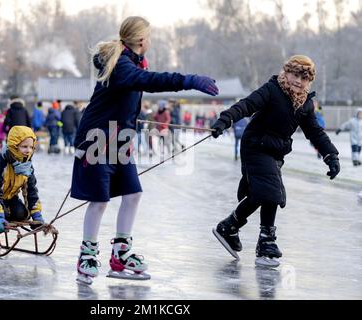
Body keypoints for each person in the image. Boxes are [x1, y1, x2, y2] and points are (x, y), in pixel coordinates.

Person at [71, 16, 218, 284]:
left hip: (120, 137)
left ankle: (121, 254)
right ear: (141, 40)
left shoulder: (130, 62)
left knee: (133, 194)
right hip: (97, 138)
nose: (150, 41)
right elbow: (151, 81)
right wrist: (190, 79)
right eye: (149, 37)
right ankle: (87, 255)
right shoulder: (122, 66)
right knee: (100, 200)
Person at [210, 55, 340, 266]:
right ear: (286, 73)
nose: (299, 81)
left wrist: (330, 155)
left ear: (310, 82)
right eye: (295, 75)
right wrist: (226, 120)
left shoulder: (305, 104)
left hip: (275, 152)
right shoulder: (272, 90)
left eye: (304, 78)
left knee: (261, 193)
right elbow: (246, 105)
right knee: (272, 191)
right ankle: (266, 242)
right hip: (255, 145)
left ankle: (229, 226)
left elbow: (315, 132)